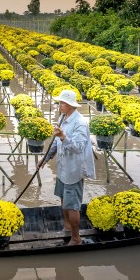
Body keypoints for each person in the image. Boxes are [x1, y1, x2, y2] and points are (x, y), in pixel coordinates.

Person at [38, 89, 95, 245]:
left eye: (62, 103)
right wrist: (46, 158)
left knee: (73, 205)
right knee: (64, 199)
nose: (59, 105)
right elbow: (56, 142)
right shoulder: (63, 117)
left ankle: (76, 238)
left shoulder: (80, 123)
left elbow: (78, 147)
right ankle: (68, 226)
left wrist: (64, 136)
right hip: (63, 168)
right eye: (59, 102)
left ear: (70, 105)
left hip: (73, 170)